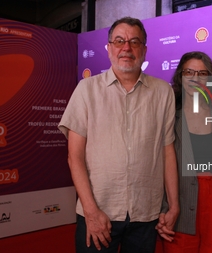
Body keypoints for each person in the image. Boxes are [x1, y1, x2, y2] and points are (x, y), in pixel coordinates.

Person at [58, 17, 179, 253]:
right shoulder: (86, 90)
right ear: (109, 47)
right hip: (98, 213)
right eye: (119, 41)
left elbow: (167, 151)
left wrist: (174, 206)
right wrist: (91, 211)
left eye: (135, 42)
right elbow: (75, 157)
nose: (127, 48)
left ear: (144, 50)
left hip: (145, 214)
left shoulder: (163, 92)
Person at [156, 51, 212, 253]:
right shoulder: (169, 116)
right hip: (180, 207)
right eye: (189, 72)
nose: (195, 78)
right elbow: (159, 168)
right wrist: (164, 210)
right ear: (181, 76)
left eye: (202, 73)